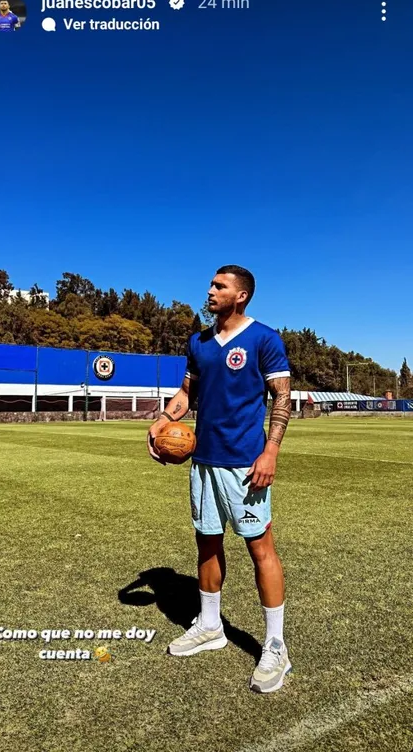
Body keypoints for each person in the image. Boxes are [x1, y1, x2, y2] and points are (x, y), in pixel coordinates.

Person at [147, 265, 292, 693]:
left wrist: (270, 451)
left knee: (260, 549)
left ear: (241, 295)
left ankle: (276, 645)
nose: (210, 291)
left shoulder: (264, 339)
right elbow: (187, 394)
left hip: (246, 465)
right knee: (206, 541)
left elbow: (281, 397)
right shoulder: (199, 342)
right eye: (211, 284)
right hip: (204, 463)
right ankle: (210, 626)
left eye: (219, 286)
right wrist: (162, 420)